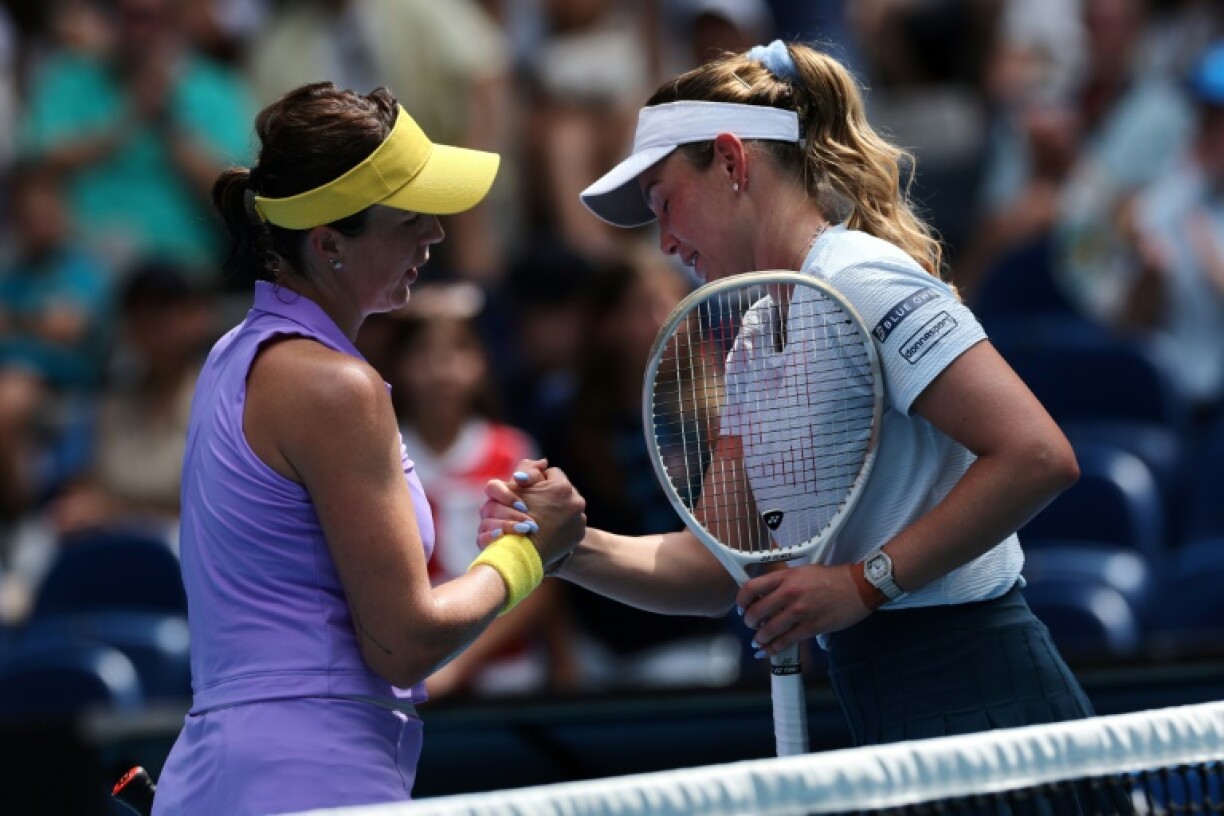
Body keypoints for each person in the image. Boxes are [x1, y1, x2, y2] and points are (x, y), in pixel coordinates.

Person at [481, 40, 1094, 748]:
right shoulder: (752, 342)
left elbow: (1038, 455)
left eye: (665, 203)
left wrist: (861, 585)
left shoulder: (862, 277)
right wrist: (569, 546)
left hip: (981, 686)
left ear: (733, 163)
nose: (665, 244)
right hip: (887, 700)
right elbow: (713, 565)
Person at [151, 82, 585, 815]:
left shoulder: (233, 354)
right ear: (328, 245)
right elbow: (404, 642)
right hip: (308, 778)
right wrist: (529, 554)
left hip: (227, 770)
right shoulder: (335, 387)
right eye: (410, 219)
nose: (437, 236)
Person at [382, 281, 578, 699]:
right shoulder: (383, 457)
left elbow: (545, 572)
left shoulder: (513, 453)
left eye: (456, 351)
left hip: (509, 676)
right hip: (415, 678)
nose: (441, 370)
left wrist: (459, 665)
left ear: (482, 362)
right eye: (423, 354)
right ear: (398, 365)